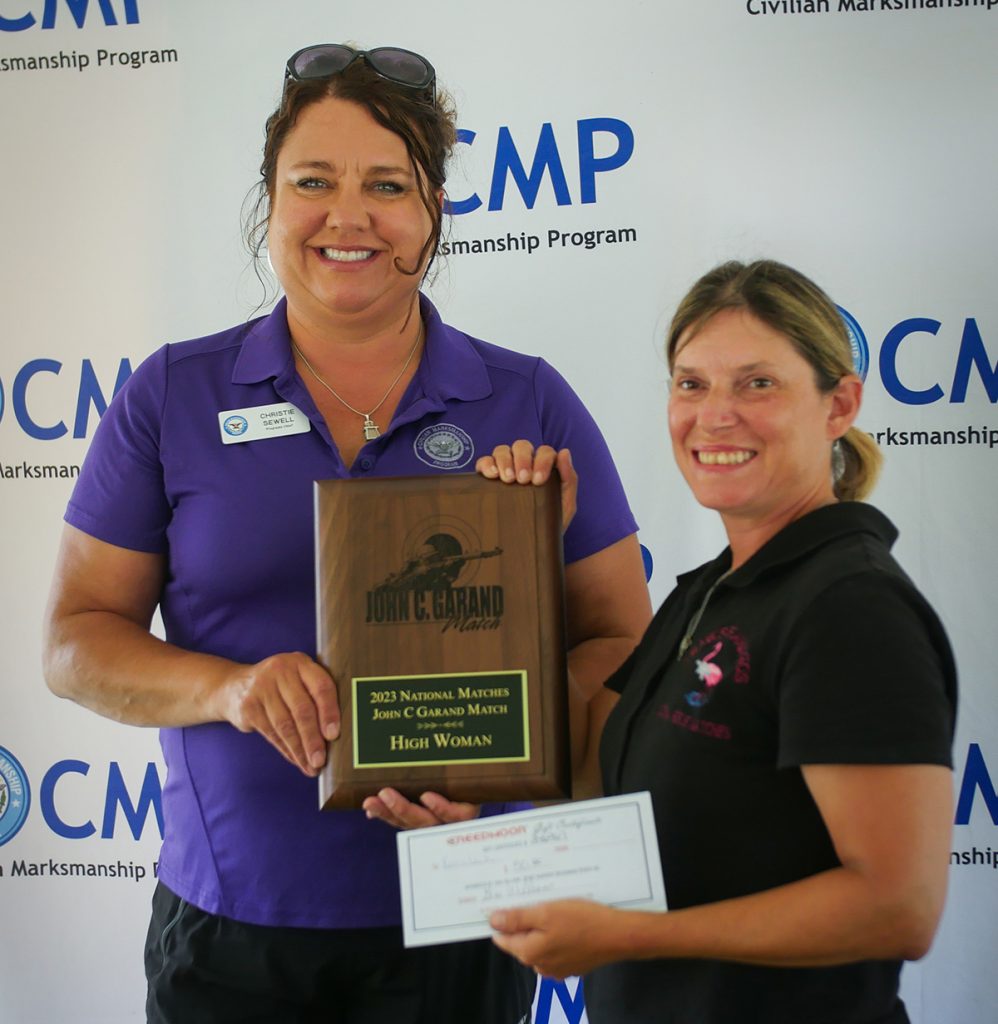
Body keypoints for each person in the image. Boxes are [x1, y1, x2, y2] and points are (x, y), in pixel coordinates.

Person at [41, 43, 651, 1024]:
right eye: (312, 181)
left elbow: (623, 653)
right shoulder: (172, 394)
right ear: (270, 203)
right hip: (231, 923)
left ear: (432, 211)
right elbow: (74, 644)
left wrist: (498, 752)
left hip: (460, 909)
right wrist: (230, 689)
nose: (347, 215)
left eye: (386, 185)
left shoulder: (526, 399)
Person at [483, 260, 957, 1024]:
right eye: (691, 383)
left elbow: (896, 906)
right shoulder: (709, 591)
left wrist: (635, 935)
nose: (715, 414)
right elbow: (586, 771)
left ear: (840, 404)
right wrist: (526, 554)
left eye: (757, 383)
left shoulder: (850, 607)